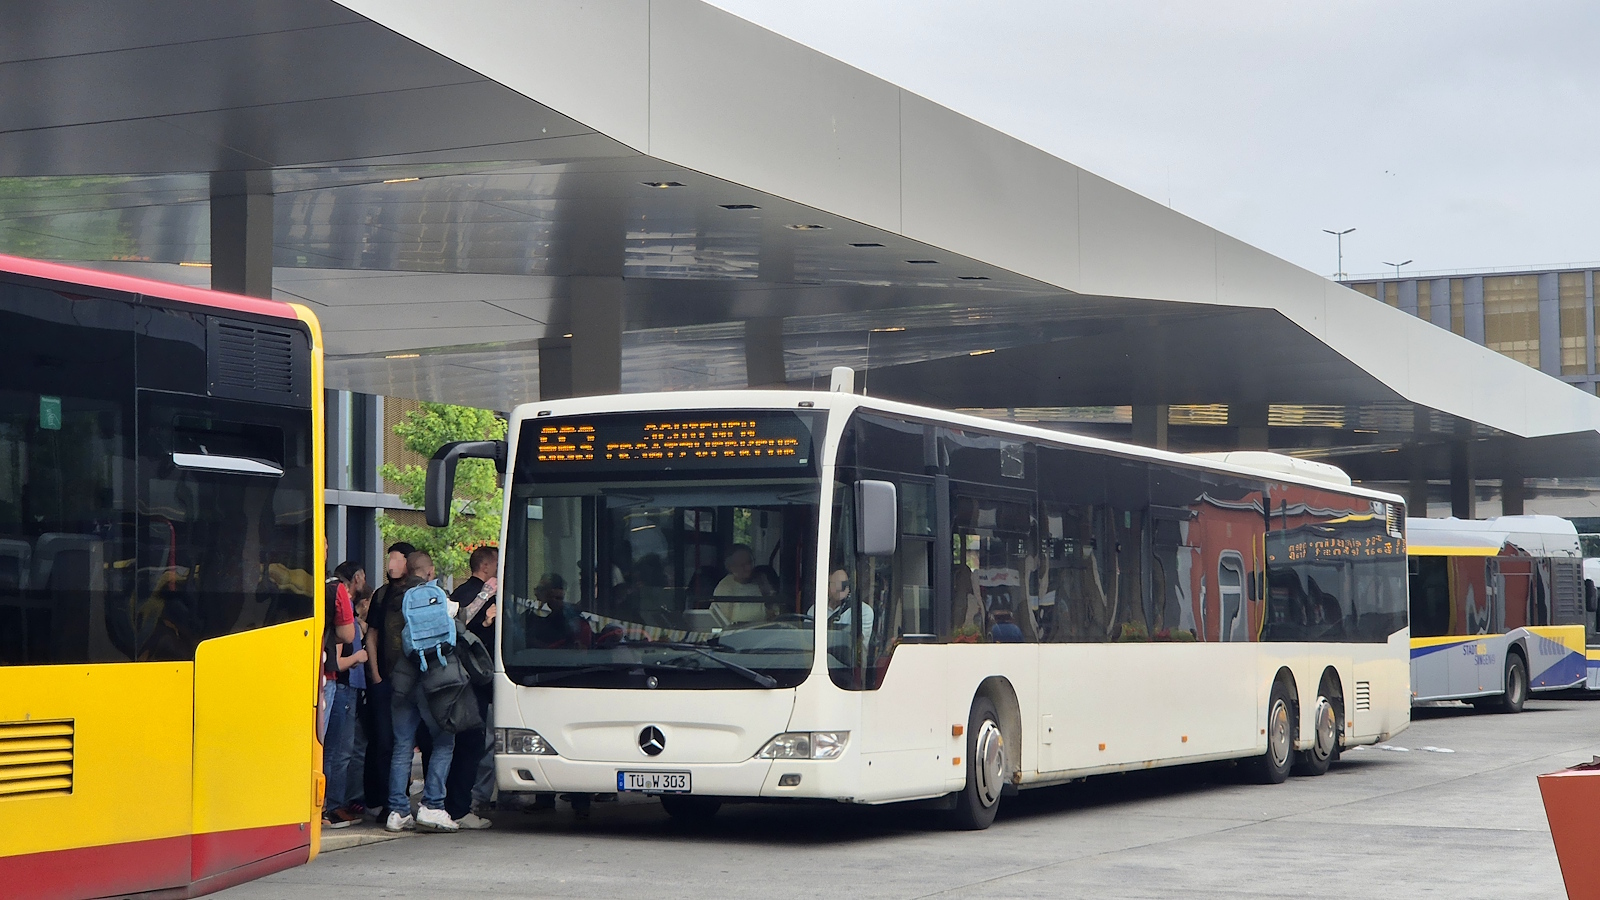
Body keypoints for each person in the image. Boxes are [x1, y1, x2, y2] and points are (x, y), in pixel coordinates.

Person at [386, 550, 458, 834]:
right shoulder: (438, 598)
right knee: (443, 742)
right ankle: (433, 805)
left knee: (402, 746)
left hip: (401, 681)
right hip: (432, 680)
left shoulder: (392, 598)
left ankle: (397, 810)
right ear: (429, 572)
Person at [444, 545, 498, 830]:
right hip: (476, 681)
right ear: (486, 567)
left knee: (452, 745)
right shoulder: (485, 596)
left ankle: (447, 802)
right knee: (473, 744)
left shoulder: (456, 595)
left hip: (453, 678)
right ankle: (461, 806)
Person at [363, 541, 415, 817]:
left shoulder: (418, 593)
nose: (391, 564)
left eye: (397, 559)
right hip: (385, 678)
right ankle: (387, 801)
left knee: (406, 741)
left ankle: (404, 799)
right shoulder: (381, 596)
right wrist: (375, 674)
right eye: (390, 558)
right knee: (385, 741)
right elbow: (372, 636)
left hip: (414, 679)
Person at [323, 561, 368, 828]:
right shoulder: (341, 600)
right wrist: (358, 657)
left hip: (339, 686)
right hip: (341, 686)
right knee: (338, 751)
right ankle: (332, 805)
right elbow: (338, 657)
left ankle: (329, 804)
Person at [809, 567, 874, 646]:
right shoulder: (815, 609)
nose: (838, 588)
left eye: (842, 584)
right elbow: (808, 640)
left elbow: (855, 643)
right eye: (833, 584)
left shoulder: (863, 611)